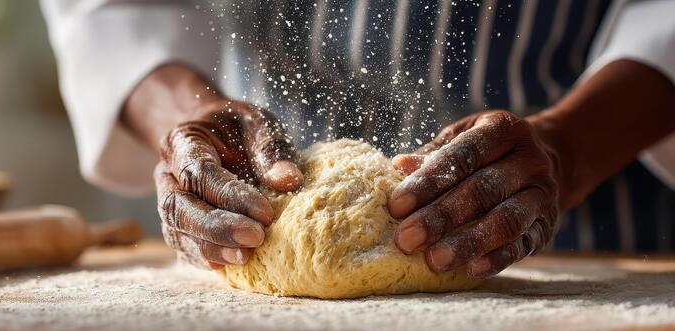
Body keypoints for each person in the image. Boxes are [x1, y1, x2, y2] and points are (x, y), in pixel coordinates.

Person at [42, 0, 675, 276]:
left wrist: (566, 145)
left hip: (592, 231)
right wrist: (184, 116)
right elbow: (111, 8)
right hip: (256, 195)